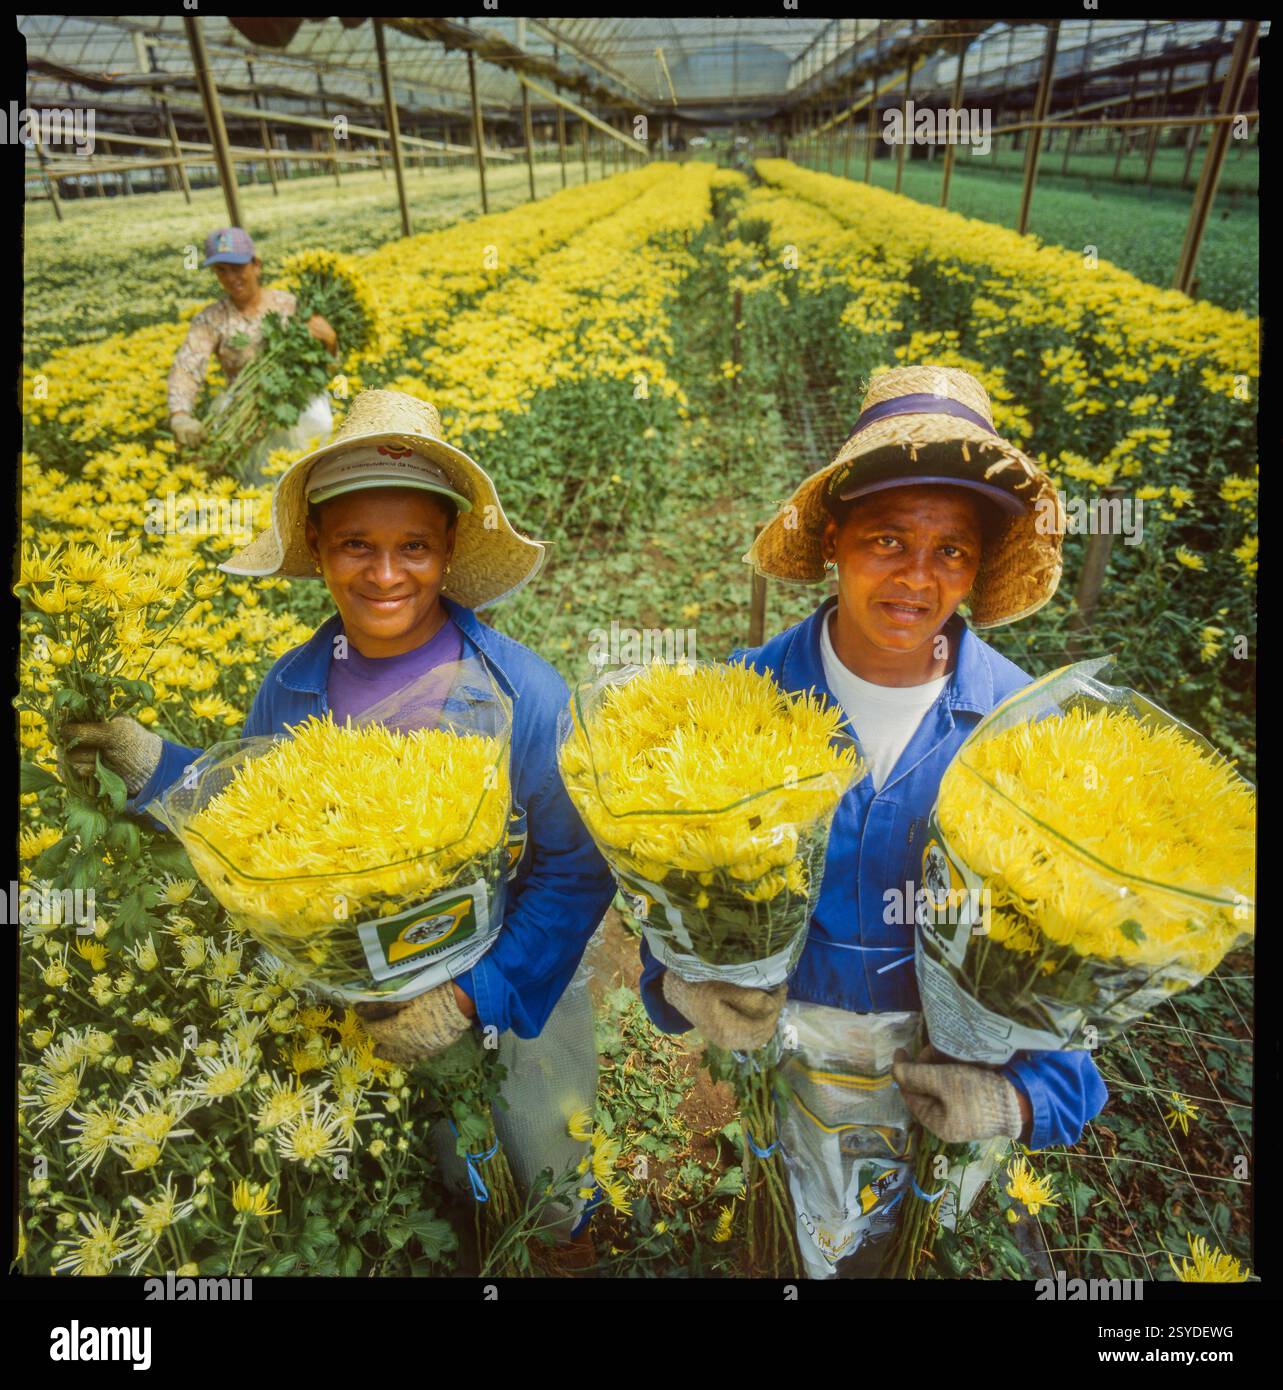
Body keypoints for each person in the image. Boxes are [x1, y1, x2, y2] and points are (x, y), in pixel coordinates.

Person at [63, 389, 616, 1265]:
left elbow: (575, 873)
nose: (385, 574)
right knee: (445, 1169)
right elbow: (257, 824)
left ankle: (563, 1245)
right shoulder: (290, 689)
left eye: (413, 548)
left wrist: (471, 994)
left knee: (543, 1167)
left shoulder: (520, 696)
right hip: (359, 1003)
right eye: (356, 544)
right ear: (318, 548)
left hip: (511, 1001)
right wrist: (151, 765)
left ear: (446, 552)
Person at [638, 366, 1109, 1278]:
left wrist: (1018, 1100)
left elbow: (1078, 963)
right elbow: (668, 896)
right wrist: (682, 986)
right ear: (833, 540)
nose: (916, 578)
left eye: (951, 551)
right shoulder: (740, 702)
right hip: (784, 1070)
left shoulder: (1027, 734)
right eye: (887, 539)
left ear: (976, 568)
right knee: (787, 1239)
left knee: (909, 1253)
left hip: (948, 1087)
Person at [167, 227, 338, 479]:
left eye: (237, 268)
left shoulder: (290, 305)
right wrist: (180, 414)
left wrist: (331, 341)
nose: (230, 278)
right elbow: (187, 365)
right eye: (221, 270)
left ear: (256, 265)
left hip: (295, 398)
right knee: (254, 473)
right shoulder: (211, 319)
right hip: (242, 404)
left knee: (317, 430)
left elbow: (327, 366)